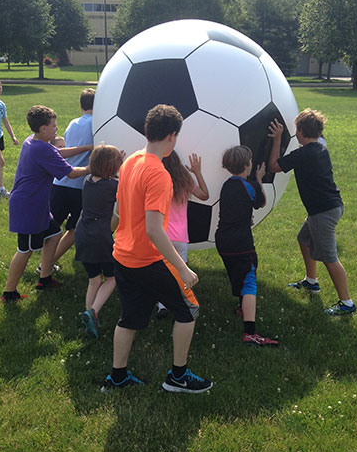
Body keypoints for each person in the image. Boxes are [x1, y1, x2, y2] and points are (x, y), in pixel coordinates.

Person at [101, 104, 213, 393]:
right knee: (189, 310)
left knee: (129, 318)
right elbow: (153, 230)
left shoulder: (130, 162)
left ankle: (118, 377)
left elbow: (118, 209)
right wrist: (182, 268)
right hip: (148, 260)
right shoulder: (158, 174)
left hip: (122, 256)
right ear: (172, 135)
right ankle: (178, 376)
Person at [267, 109, 356, 316]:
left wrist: (277, 139)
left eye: (296, 129)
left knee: (330, 258)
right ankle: (311, 281)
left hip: (323, 212)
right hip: (329, 207)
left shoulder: (303, 154)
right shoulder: (319, 147)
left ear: (300, 131)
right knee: (303, 239)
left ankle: (347, 303)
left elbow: (273, 166)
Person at [1, 106, 91, 302]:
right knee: (25, 250)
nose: (56, 129)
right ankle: (9, 293)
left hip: (37, 205)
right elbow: (71, 173)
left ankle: (45, 278)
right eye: (54, 126)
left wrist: (86, 148)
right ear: (43, 128)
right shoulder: (41, 148)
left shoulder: (34, 141)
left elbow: (59, 153)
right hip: (28, 206)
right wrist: (92, 167)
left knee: (54, 235)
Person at [215, 145, 279, 346]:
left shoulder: (226, 185)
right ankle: (250, 333)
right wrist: (259, 178)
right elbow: (261, 202)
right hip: (240, 242)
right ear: (246, 165)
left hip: (222, 240)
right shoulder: (249, 186)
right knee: (249, 279)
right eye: (250, 162)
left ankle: (241, 307)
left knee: (237, 273)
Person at [75, 144, 123, 338]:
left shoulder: (87, 180)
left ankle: (89, 319)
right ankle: (93, 312)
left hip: (82, 233)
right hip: (100, 236)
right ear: (112, 167)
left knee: (94, 279)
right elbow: (121, 192)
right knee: (111, 278)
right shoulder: (113, 186)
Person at [156, 150, 209, 319]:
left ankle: (162, 305)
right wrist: (197, 172)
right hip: (180, 238)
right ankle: (184, 303)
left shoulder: (157, 180)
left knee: (162, 272)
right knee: (181, 273)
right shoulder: (185, 181)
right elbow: (204, 195)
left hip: (162, 237)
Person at [48, 88, 94, 270]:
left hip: (59, 182)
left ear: (81, 106)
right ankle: (48, 263)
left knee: (50, 228)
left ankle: (31, 257)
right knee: (74, 229)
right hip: (79, 185)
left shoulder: (72, 123)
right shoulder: (97, 124)